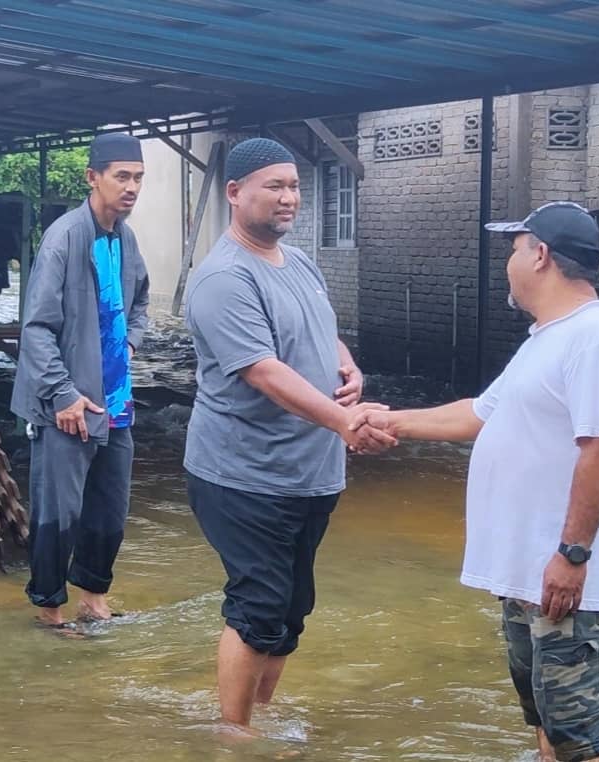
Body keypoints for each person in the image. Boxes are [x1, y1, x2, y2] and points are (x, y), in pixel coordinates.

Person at [353, 202, 599, 762]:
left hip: (561, 573)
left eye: (514, 248)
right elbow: (480, 414)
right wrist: (387, 421)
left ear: (541, 256)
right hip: (528, 571)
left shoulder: (594, 340)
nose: (508, 262)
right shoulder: (546, 339)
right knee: (547, 719)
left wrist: (573, 554)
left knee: (585, 734)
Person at [183, 138, 394, 730]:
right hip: (244, 474)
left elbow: (317, 330)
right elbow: (264, 372)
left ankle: (259, 714)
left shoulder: (298, 262)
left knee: (291, 609)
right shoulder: (223, 279)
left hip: (310, 473)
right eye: (274, 186)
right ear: (235, 193)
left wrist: (347, 365)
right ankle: (233, 733)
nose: (289, 198)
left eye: (295, 186)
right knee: (259, 604)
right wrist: (348, 422)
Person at [11, 133, 150, 628]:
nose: (131, 187)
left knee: (110, 511)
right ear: (92, 177)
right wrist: (63, 395)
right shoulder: (65, 237)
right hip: (65, 404)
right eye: (121, 176)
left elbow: (141, 303)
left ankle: (93, 598)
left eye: (137, 178)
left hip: (115, 401)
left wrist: (129, 344)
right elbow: (37, 329)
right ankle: (49, 607)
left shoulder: (125, 238)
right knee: (58, 513)